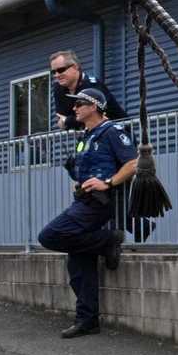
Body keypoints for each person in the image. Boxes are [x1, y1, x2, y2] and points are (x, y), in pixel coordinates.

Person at [38, 88, 135, 339]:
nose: (74, 108)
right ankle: (87, 319)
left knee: (49, 235)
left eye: (79, 103)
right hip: (84, 200)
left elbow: (134, 163)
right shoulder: (87, 135)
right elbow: (80, 165)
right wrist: (79, 181)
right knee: (79, 263)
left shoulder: (112, 131)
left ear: (94, 106)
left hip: (99, 204)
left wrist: (109, 182)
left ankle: (109, 240)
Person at [50, 50, 126, 131]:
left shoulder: (92, 85)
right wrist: (69, 121)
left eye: (61, 70)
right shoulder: (58, 88)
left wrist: (68, 121)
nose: (57, 75)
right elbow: (61, 119)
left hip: (116, 133)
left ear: (75, 67)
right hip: (90, 135)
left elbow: (92, 117)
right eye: (53, 72)